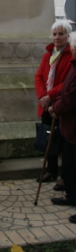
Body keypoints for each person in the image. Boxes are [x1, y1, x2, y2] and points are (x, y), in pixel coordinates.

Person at [35, 20, 72, 185]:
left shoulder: (71, 55)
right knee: (49, 138)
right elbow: (39, 77)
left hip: (62, 105)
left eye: (61, 34)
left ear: (67, 36)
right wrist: (43, 96)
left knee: (64, 142)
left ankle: (66, 176)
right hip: (46, 105)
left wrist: (50, 95)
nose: (57, 37)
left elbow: (67, 82)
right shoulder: (47, 55)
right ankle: (51, 171)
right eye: (55, 34)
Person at [49, 31, 76, 223]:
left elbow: (71, 96)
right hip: (69, 127)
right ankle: (71, 196)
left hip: (73, 126)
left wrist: (56, 107)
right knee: (69, 166)